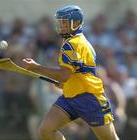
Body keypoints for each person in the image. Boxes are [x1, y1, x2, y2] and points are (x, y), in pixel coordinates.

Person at [22, 5, 119, 140]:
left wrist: (36, 67)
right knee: (46, 130)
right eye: (60, 22)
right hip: (70, 97)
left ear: (77, 23)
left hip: (89, 98)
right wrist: (67, 83)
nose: (61, 26)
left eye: (64, 22)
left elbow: (64, 75)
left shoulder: (73, 44)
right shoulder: (73, 41)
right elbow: (73, 73)